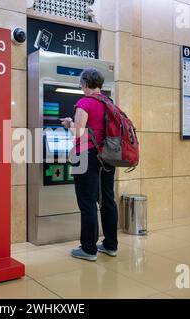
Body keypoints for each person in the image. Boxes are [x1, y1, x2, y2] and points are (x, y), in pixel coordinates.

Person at [61, 68, 118, 261]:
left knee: (87, 202)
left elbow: (78, 132)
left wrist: (68, 123)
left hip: (85, 155)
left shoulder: (84, 102)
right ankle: (110, 245)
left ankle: (88, 248)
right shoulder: (108, 102)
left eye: (81, 83)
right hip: (108, 156)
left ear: (85, 83)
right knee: (107, 199)